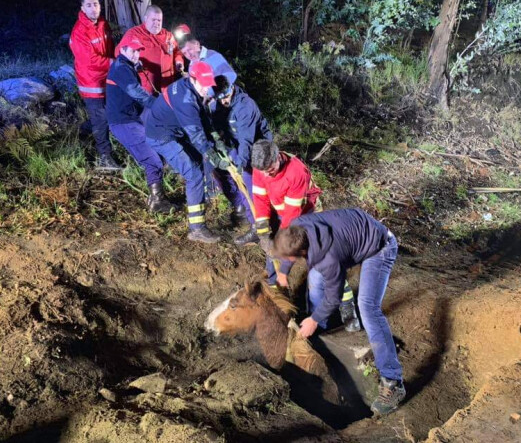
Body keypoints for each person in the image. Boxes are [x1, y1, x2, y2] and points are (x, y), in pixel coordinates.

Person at [272, 208, 406, 416]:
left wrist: (314, 319)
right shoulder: (299, 227)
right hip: (356, 230)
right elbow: (291, 247)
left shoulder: (328, 259)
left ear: (302, 253)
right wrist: (283, 272)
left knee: (368, 307)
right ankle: (317, 339)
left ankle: (393, 382)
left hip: (380, 248)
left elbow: (333, 296)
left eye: (291, 259)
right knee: (316, 279)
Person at [251, 140, 361, 332]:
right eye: (263, 171)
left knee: (323, 263)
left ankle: (346, 307)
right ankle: (280, 308)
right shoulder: (260, 169)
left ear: (278, 157)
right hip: (281, 212)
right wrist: (264, 235)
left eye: (270, 169)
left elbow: (292, 220)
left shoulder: (296, 172)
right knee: (272, 263)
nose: (267, 174)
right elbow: (260, 200)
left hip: (307, 215)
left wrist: (280, 247)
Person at [145, 61, 249, 243]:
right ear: (192, 79)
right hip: (163, 136)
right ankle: (197, 229)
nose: (206, 89)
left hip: (176, 131)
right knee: (194, 174)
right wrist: (215, 157)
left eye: (209, 85)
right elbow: (197, 135)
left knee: (199, 168)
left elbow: (204, 120)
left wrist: (217, 140)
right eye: (204, 85)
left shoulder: (192, 88)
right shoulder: (185, 100)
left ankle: (216, 205)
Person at [105, 35, 174, 214]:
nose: (136, 54)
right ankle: (157, 201)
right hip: (124, 122)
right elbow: (135, 92)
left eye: (138, 51)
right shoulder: (121, 68)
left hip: (132, 117)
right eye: (132, 50)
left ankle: (156, 196)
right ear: (123, 50)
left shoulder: (127, 65)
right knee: (153, 161)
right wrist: (158, 105)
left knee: (159, 147)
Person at [210, 76, 273, 245]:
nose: (223, 101)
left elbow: (246, 140)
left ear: (231, 89)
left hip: (256, 147)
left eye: (225, 96)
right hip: (234, 145)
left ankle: (259, 228)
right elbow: (216, 124)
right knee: (226, 177)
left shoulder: (245, 106)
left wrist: (241, 165)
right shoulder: (220, 102)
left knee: (248, 184)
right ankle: (244, 211)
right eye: (219, 98)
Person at [69, 0, 119, 171]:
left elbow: (111, 48)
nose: (93, 8)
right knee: (101, 119)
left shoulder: (104, 25)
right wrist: (113, 63)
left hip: (107, 78)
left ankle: (82, 131)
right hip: (91, 82)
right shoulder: (79, 32)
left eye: (95, 4)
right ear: (82, 8)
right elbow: (89, 60)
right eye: (89, 5)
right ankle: (104, 158)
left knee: (106, 115)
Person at [115, 5, 184, 95]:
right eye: (153, 20)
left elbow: (177, 52)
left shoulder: (168, 36)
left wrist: (179, 61)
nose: (156, 23)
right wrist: (134, 63)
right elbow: (119, 54)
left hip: (167, 86)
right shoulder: (134, 34)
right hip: (146, 88)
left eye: (159, 20)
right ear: (146, 18)